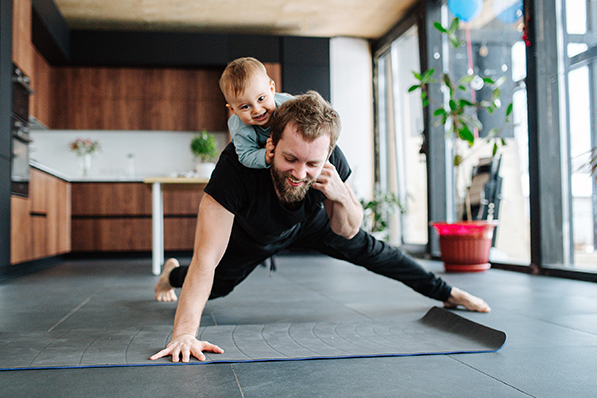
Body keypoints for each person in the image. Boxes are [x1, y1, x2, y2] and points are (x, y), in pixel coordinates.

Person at [151, 91, 490, 363]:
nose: (300, 173)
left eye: (312, 163)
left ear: (327, 155)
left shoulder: (332, 164)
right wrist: (184, 333)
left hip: (311, 223)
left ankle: (447, 293)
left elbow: (349, 231)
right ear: (270, 145)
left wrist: (342, 195)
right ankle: (170, 274)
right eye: (290, 159)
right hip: (254, 233)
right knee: (218, 286)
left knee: (375, 251)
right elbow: (206, 259)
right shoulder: (234, 169)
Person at [220, 56, 293, 169]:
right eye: (245, 106)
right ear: (233, 110)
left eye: (261, 99)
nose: (257, 110)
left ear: (272, 89)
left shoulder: (289, 106)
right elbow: (245, 155)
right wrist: (265, 156)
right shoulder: (240, 128)